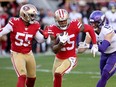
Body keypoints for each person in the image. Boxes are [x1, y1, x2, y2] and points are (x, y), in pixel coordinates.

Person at [44, 9, 98, 87]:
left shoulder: (74, 24)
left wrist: (95, 44)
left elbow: (89, 28)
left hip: (71, 57)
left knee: (58, 73)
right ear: (56, 21)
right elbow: (54, 50)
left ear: (68, 19)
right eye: (60, 21)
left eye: (64, 20)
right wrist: (60, 44)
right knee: (55, 79)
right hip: (58, 58)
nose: (63, 23)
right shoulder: (52, 29)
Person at [0, 4, 48, 87]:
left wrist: (45, 36)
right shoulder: (14, 22)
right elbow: (2, 31)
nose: (34, 17)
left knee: (32, 78)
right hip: (17, 53)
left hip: (29, 53)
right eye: (32, 15)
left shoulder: (35, 24)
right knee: (22, 76)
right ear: (24, 15)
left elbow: (40, 40)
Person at [78, 10, 116, 87]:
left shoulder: (107, 30)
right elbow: (81, 50)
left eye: (95, 23)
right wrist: (73, 48)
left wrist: (89, 46)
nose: (93, 25)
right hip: (104, 55)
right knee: (103, 76)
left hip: (114, 53)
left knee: (105, 74)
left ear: (101, 22)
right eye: (91, 23)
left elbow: (103, 48)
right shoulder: (90, 32)